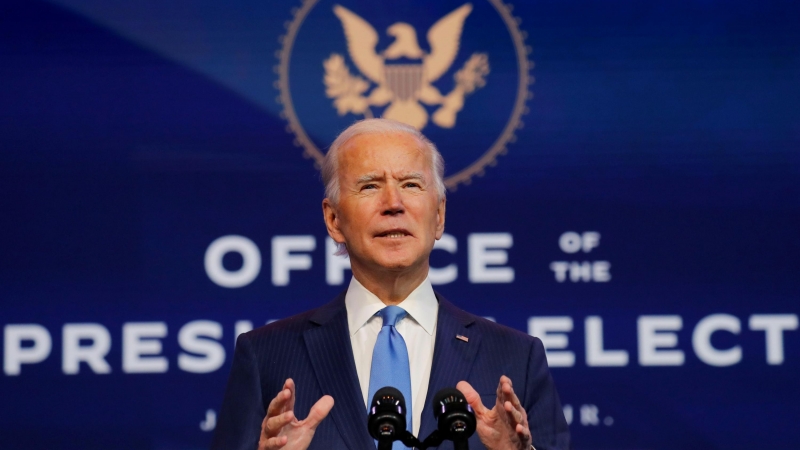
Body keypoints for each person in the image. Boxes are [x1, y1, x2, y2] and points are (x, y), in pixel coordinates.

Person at [211, 119, 570, 450]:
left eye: (411, 184)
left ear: (439, 215)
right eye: (370, 186)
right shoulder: (266, 357)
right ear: (334, 219)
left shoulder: (516, 358)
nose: (393, 204)